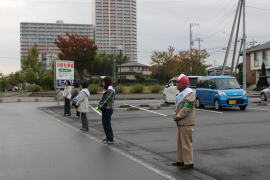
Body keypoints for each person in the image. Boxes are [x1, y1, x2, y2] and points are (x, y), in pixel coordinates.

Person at [171, 74, 196, 170]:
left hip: (186, 122)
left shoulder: (189, 94)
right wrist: (175, 114)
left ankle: (189, 163)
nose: (176, 84)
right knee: (180, 143)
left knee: (186, 144)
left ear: (184, 84)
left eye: (178, 82)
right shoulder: (181, 93)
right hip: (180, 122)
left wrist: (177, 116)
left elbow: (187, 108)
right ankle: (180, 161)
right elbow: (177, 106)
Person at [97, 77, 115, 144]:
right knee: (105, 124)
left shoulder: (110, 90)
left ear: (106, 82)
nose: (102, 83)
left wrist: (98, 107)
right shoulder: (107, 89)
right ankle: (108, 137)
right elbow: (102, 99)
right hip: (105, 109)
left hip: (108, 109)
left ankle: (110, 139)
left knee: (107, 124)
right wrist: (99, 106)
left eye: (103, 82)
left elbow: (105, 100)